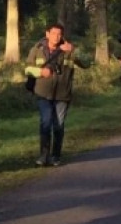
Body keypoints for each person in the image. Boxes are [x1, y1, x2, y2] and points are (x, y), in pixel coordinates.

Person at [25, 23, 90, 166]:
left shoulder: (69, 50)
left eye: (59, 34)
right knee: (45, 123)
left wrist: (75, 50)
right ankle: (43, 156)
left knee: (58, 125)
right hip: (43, 93)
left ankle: (56, 156)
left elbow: (87, 63)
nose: (56, 37)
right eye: (54, 33)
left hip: (63, 94)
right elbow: (27, 69)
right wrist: (40, 72)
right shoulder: (37, 49)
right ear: (47, 34)